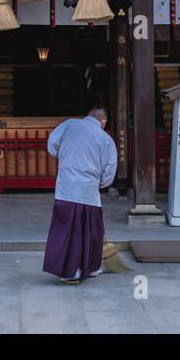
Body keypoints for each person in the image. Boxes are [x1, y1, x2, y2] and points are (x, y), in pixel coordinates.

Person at [42, 106, 118, 283]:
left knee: (67, 230)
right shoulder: (106, 138)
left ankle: (71, 272)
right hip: (89, 191)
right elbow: (109, 170)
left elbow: (52, 146)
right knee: (91, 231)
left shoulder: (69, 125)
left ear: (88, 116)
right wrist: (99, 184)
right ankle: (91, 268)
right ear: (103, 121)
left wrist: (66, 157)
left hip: (66, 188)